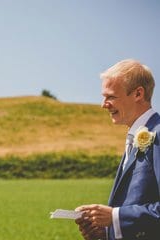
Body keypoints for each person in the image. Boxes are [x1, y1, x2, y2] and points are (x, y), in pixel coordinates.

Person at [76, 59, 160, 240]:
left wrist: (115, 217)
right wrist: (108, 231)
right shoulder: (134, 137)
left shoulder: (158, 134)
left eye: (111, 97)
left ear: (138, 94)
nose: (103, 104)